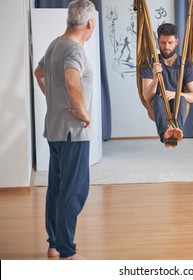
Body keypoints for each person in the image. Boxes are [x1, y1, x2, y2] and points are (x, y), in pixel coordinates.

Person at [34, 0, 96, 259]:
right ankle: (67, 251)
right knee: (75, 190)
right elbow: (72, 79)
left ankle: (54, 244)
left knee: (58, 188)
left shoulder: (55, 44)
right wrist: (82, 111)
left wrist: (54, 100)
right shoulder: (73, 50)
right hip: (73, 132)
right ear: (89, 23)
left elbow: (39, 73)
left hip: (56, 129)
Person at [140, 23, 193, 147]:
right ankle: (165, 135)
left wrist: (175, 94)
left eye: (170, 43)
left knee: (182, 99)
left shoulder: (185, 64)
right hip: (158, 107)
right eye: (162, 43)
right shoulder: (150, 63)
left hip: (178, 105)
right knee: (157, 98)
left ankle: (176, 131)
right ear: (158, 41)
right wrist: (156, 78)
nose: (166, 47)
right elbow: (146, 96)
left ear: (177, 42)